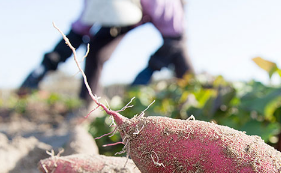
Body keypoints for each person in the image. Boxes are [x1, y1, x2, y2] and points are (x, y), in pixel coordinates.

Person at [19, 0, 194, 103]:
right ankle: (88, 103)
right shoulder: (94, 4)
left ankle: (194, 97)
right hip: (120, 11)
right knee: (96, 51)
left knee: (179, 55)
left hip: (153, 14)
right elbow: (74, 36)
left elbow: (175, 38)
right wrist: (42, 69)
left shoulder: (164, 6)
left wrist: (150, 70)